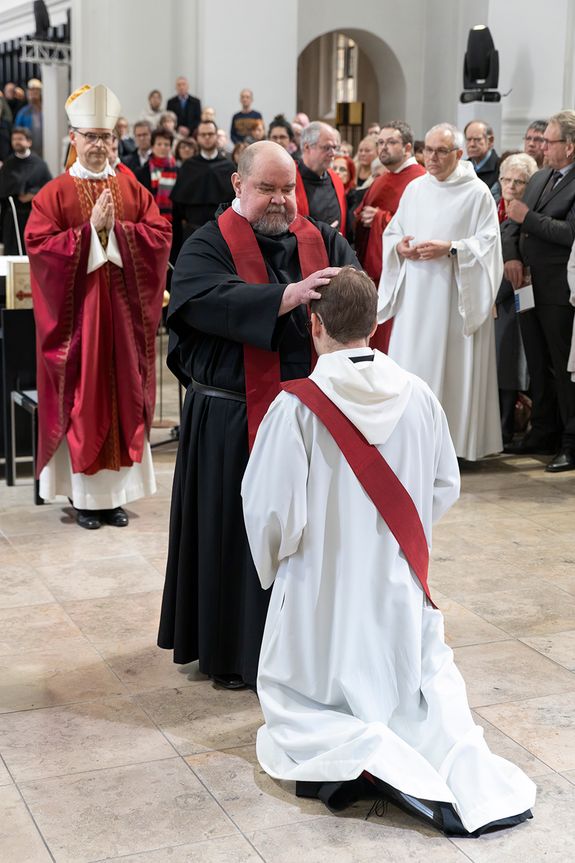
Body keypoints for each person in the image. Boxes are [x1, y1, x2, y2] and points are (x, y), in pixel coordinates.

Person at [241, 267, 536, 837]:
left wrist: (285, 563)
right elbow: (444, 485)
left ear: (315, 324)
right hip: (399, 588)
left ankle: (362, 750)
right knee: (424, 700)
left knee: (305, 707)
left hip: (321, 593)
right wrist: (392, 541)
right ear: (375, 325)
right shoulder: (419, 395)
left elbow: (271, 510)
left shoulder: (296, 407)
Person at [158, 140, 359, 689]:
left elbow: (355, 290)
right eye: (266, 188)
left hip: (313, 418)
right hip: (232, 421)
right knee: (236, 537)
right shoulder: (207, 243)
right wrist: (286, 297)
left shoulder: (324, 240)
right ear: (238, 185)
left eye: (287, 189)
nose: (280, 200)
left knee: (308, 534)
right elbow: (202, 300)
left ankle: (306, 649)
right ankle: (233, 653)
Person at [24, 84, 172, 529]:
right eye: (90, 136)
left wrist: (117, 234)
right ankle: (84, 499)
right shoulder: (54, 194)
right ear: (73, 138)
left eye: (105, 137)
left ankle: (114, 499)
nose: (99, 145)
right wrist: (89, 234)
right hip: (80, 325)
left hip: (123, 321)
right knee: (83, 399)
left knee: (123, 394)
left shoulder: (130, 187)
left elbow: (160, 234)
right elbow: (39, 247)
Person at [379, 123, 503, 461]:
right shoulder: (415, 188)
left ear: (458, 154)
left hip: (454, 298)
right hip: (415, 298)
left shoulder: (477, 193)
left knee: (452, 370)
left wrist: (451, 248)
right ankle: (410, 442)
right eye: (428, 150)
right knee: (412, 365)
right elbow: (394, 232)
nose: (432, 158)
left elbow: (489, 244)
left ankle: (453, 447)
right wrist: (399, 247)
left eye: (441, 151)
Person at [502, 110, 575, 471]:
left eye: (549, 141)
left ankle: (570, 441)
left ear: (570, 146)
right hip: (526, 284)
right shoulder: (540, 176)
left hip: (559, 288)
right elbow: (510, 226)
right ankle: (543, 431)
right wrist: (512, 257)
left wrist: (527, 218)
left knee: (563, 367)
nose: (542, 147)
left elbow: (570, 233)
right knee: (536, 361)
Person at [494, 153, 538, 444]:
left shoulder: (527, 215)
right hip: (492, 299)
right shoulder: (494, 209)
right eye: (506, 179)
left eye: (519, 182)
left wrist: (493, 296)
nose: (510, 186)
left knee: (511, 363)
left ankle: (506, 427)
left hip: (514, 297)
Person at [354, 121, 425, 285]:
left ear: (407, 148)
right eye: (380, 142)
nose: (383, 147)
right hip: (373, 269)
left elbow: (419, 227)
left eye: (391, 142)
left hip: (405, 270)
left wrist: (379, 218)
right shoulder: (381, 179)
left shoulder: (421, 180)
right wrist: (361, 217)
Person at [170, 119, 235, 254]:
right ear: (197, 137)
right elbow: (178, 206)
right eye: (203, 134)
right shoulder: (188, 167)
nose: (207, 138)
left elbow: (235, 203)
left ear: (216, 136)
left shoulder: (229, 167)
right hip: (192, 231)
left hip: (222, 233)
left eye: (210, 134)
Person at [0, 126, 51, 254]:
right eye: (14, 139)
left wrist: (33, 194)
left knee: (32, 253)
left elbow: (48, 188)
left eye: (20, 139)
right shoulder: (8, 164)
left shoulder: (39, 164)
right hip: (13, 216)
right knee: (12, 253)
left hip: (32, 215)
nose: (16, 142)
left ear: (29, 142)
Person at [296, 121, 346, 234]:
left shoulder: (336, 180)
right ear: (307, 147)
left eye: (334, 147)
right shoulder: (289, 180)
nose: (332, 153)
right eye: (327, 147)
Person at [136, 128, 177, 223]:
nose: (163, 147)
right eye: (159, 144)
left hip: (173, 220)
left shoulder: (177, 170)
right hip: (148, 220)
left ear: (170, 147)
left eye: (166, 144)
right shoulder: (142, 171)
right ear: (152, 146)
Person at [464, 120, 500, 197]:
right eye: (469, 139)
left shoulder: (501, 168)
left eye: (477, 139)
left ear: (490, 141)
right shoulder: (462, 169)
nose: (472, 144)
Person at [14, 78, 43, 156]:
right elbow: (17, 132)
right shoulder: (23, 113)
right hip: (29, 152)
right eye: (31, 90)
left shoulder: (47, 112)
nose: (33, 92)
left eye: (36, 90)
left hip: (48, 148)